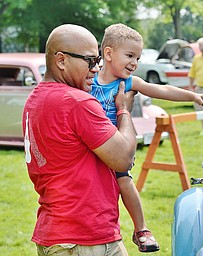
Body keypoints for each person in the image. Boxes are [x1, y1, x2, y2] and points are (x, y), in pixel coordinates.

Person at [91, 23, 203, 253]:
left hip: (115, 145)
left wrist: (194, 96)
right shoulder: (88, 81)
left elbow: (164, 90)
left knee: (124, 181)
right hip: (89, 147)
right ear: (108, 53)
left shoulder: (129, 83)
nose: (135, 63)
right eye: (129, 55)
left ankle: (141, 230)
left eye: (137, 57)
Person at [22, 24, 137, 256]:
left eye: (98, 61)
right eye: (90, 61)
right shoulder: (77, 102)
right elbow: (124, 158)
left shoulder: (35, 100)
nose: (97, 69)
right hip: (84, 238)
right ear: (62, 60)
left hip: (56, 234)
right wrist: (123, 110)